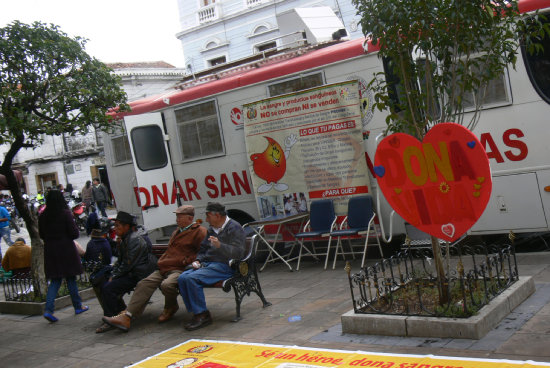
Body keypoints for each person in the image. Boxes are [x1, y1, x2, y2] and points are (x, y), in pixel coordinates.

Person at [101, 205, 206, 333]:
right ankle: (127, 316)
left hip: (180, 268)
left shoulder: (199, 231)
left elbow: (204, 252)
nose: (177, 219)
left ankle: (171, 306)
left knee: (167, 284)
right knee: (144, 283)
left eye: (180, 216)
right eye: (177, 216)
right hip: (165, 266)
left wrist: (189, 260)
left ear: (190, 218)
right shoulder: (177, 231)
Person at [177, 202, 246, 331]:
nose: (206, 219)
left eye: (208, 216)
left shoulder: (234, 227)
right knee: (182, 278)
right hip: (208, 264)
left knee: (191, 279)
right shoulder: (211, 229)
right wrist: (198, 260)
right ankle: (197, 312)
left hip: (225, 266)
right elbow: (203, 249)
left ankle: (202, 315)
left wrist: (220, 245)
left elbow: (239, 253)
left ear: (218, 216)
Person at [97, 211, 157, 328]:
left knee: (109, 287)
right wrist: (113, 274)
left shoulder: (134, 239)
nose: (115, 228)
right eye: (115, 225)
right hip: (131, 272)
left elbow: (128, 264)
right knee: (103, 281)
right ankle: (119, 312)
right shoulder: (125, 238)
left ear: (127, 226)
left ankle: (113, 318)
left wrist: (114, 276)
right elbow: (120, 261)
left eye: (118, 226)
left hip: (139, 274)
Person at [39, 190, 89, 322]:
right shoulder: (65, 214)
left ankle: (48, 310)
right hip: (66, 249)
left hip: (51, 251)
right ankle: (78, 306)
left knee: (55, 280)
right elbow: (74, 233)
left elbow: (41, 235)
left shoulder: (43, 216)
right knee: (71, 278)